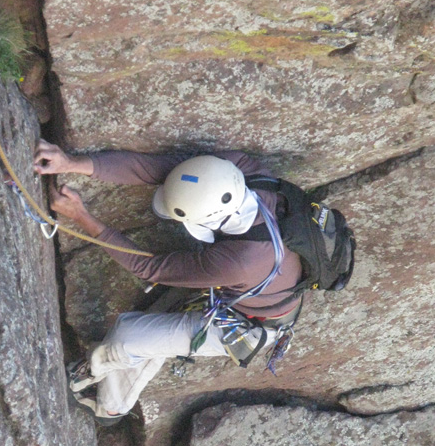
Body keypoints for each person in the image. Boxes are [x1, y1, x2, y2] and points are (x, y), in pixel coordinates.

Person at [33, 140, 303, 424]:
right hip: (259, 293)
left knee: (127, 336)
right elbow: (152, 169)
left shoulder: (238, 262)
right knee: (157, 332)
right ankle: (116, 403)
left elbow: (148, 267)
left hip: (250, 324)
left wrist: (82, 217)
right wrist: (70, 162)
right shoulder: (242, 171)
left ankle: (102, 396)